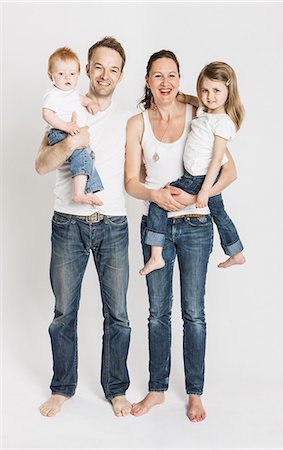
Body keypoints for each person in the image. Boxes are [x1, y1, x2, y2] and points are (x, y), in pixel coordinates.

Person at [125, 50, 237, 422]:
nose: (166, 83)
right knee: (158, 313)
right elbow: (130, 183)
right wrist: (156, 194)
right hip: (155, 226)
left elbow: (229, 172)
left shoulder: (199, 114)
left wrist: (196, 196)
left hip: (195, 226)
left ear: (180, 79)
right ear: (147, 81)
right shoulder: (137, 122)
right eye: (158, 76)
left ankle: (194, 393)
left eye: (172, 75)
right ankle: (157, 390)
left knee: (194, 313)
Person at [36, 37, 132, 418]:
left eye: (113, 69)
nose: (105, 74)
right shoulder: (66, 104)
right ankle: (62, 388)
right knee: (63, 313)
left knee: (119, 314)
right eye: (98, 66)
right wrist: (73, 141)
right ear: (87, 68)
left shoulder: (129, 119)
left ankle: (116, 389)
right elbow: (41, 165)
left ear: (121, 75)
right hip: (67, 224)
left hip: (113, 224)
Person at [140, 61, 246, 276]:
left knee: (159, 200)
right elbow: (192, 99)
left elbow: (217, 159)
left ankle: (156, 255)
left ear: (228, 91)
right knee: (220, 213)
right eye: (205, 90)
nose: (210, 96)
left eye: (216, 91)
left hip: (198, 177)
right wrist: (180, 96)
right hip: (196, 175)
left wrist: (204, 191)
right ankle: (235, 251)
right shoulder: (205, 110)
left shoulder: (222, 122)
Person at [43, 46, 103, 206]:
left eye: (72, 74)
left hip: (73, 133)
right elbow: (47, 114)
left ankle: (88, 191)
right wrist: (67, 127)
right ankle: (78, 194)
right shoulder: (53, 94)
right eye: (61, 74)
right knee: (82, 153)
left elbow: (82, 100)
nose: (67, 78)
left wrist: (91, 103)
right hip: (59, 133)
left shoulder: (73, 94)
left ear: (78, 74)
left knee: (88, 156)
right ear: (51, 76)